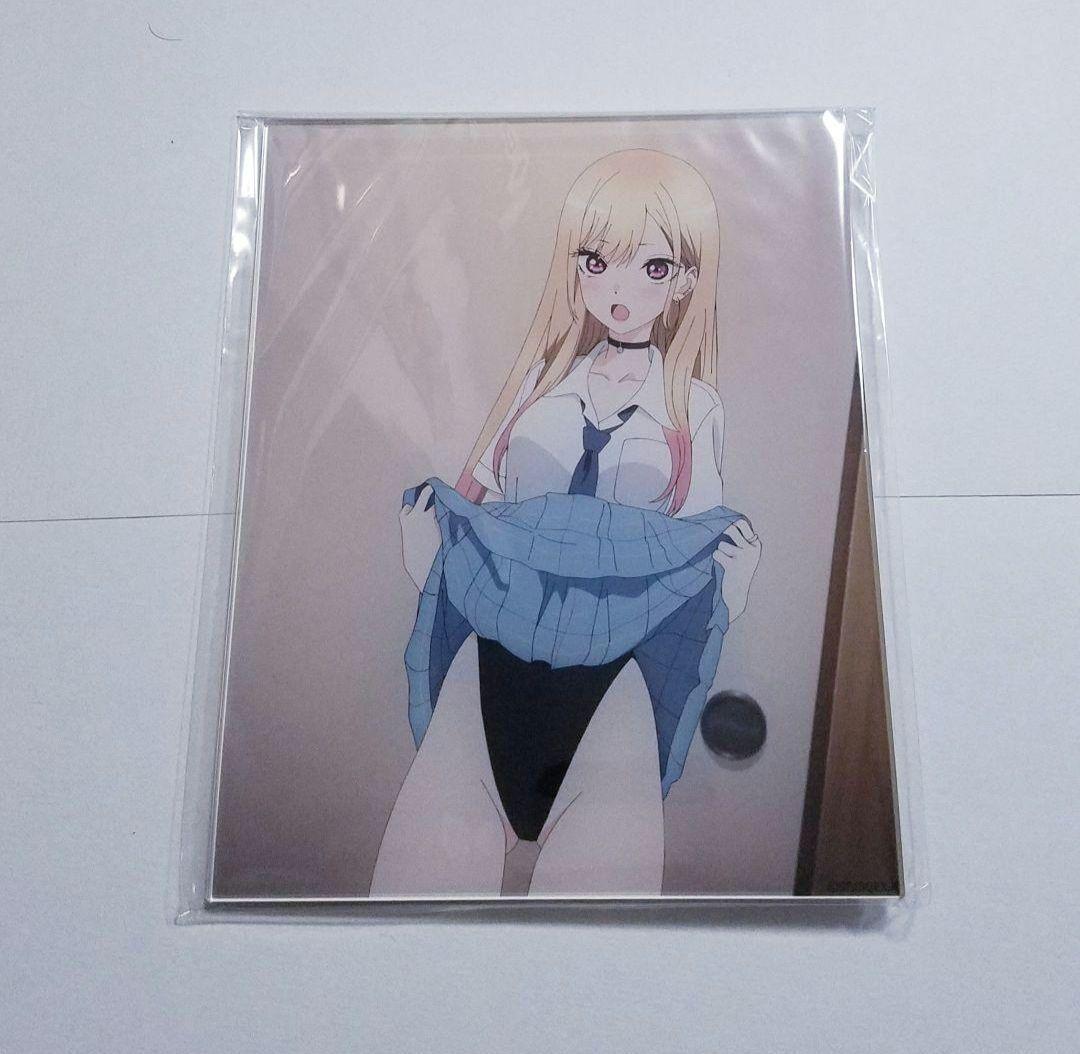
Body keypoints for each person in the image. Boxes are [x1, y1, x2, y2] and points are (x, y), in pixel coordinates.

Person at [371, 149, 761, 897]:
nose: (619, 288)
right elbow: (481, 511)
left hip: (613, 698)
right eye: (597, 261)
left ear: (685, 279)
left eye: (652, 267)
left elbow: (693, 555)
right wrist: (426, 564)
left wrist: (733, 593)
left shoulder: (694, 408)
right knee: (409, 920)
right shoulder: (539, 384)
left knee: (597, 944)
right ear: (574, 265)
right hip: (485, 674)